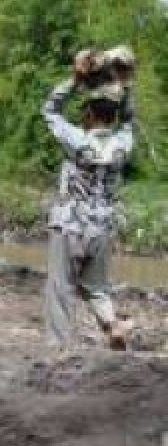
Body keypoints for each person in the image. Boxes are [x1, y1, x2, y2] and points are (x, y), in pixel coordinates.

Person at [43, 71, 135, 351]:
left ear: (91, 114)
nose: (82, 114)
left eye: (85, 110)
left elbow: (50, 109)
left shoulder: (77, 141)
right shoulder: (123, 144)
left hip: (70, 225)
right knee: (97, 288)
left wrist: (75, 78)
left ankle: (58, 353)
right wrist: (127, 86)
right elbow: (130, 119)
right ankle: (112, 324)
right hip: (102, 228)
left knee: (60, 290)